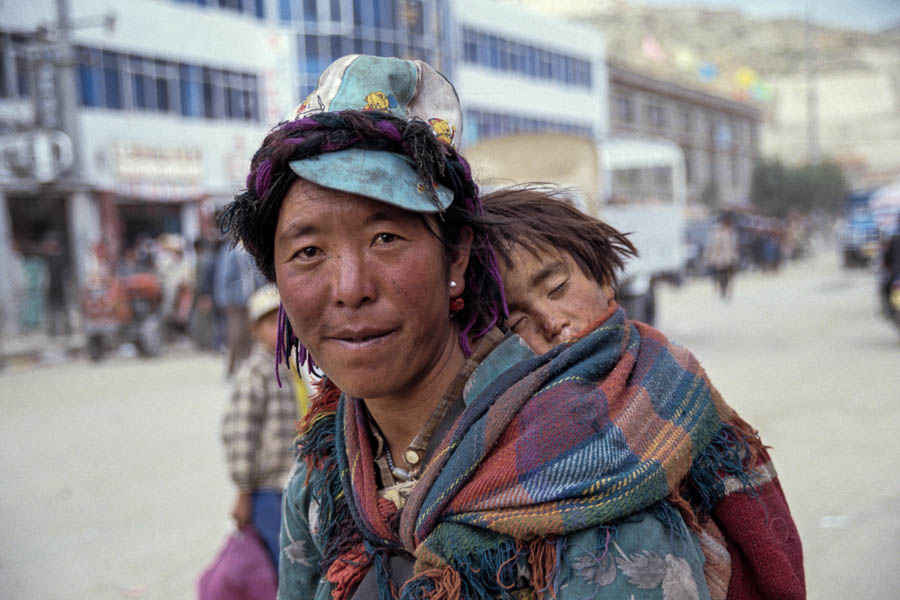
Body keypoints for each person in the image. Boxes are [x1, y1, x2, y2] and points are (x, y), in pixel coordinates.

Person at [222, 54, 801, 600]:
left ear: (455, 258)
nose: (349, 288)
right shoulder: (327, 467)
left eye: (386, 238)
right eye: (307, 252)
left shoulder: (586, 471)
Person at [482, 184, 805, 599]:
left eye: (558, 288)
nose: (550, 320)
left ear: (602, 277)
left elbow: (770, 542)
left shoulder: (675, 382)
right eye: (516, 322)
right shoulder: (502, 427)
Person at [221, 283, 300, 572]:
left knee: (296, 560)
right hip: (267, 489)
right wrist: (243, 490)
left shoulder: (288, 367)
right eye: (270, 322)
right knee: (285, 564)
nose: (279, 329)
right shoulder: (255, 371)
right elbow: (240, 433)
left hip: (290, 485)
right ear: (254, 329)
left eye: (284, 321)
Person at [705, 214, 740, 299]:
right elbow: (712, 246)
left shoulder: (732, 232)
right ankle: (723, 290)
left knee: (730, 275)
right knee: (722, 275)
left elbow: (735, 246)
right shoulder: (717, 233)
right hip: (721, 258)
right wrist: (711, 257)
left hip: (731, 258)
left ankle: (727, 290)